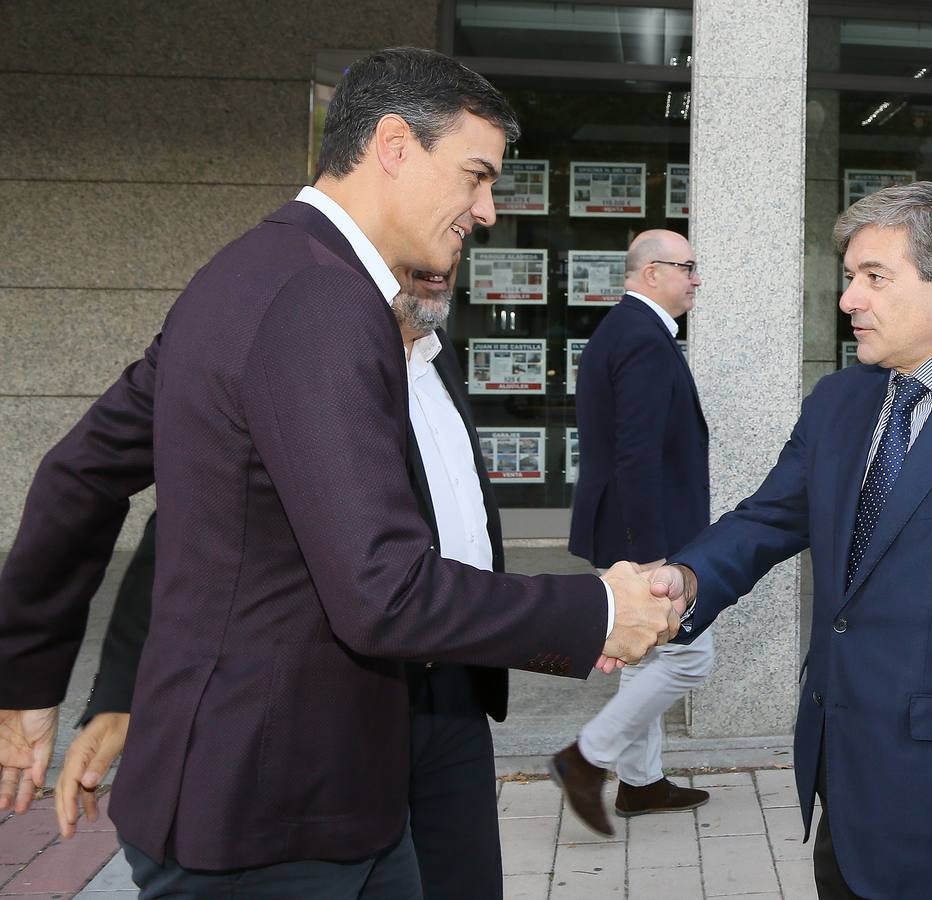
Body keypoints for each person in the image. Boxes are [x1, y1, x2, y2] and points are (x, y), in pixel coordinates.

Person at [0, 47, 676, 897]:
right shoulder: (320, 299)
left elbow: (82, 473)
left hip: (358, 765)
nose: (488, 210)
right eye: (474, 176)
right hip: (273, 804)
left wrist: (28, 677)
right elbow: (381, 590)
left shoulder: (248, 274)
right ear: (393, 143)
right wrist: (599, 610)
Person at [647, 182, 932, 898]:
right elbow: (768, 519)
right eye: (849, 278)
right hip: (842, 785)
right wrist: (685, 581)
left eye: (874, 278)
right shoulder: (839, 401)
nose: (848, 300)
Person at [53, 264, 525, 899]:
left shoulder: (440, 360)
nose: (443, 262)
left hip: (456, 700)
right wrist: (120, 695)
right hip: (348, 705)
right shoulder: (313, 360)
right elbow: (194, 528)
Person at [553, 230, 714, 836]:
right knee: (691, 656)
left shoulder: (625, 332)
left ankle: (641, 785)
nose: (696, 279)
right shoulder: (643, 341)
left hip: (629, 526)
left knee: (647, 658)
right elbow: (637, 455)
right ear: (651, 273)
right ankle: (586, 757)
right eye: (688, 267)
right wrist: (650, 555)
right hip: (645, 534)